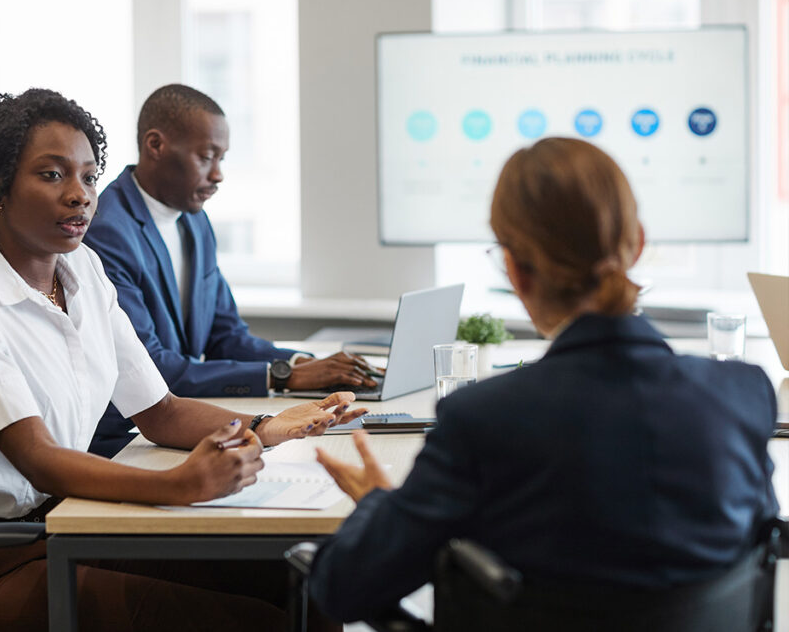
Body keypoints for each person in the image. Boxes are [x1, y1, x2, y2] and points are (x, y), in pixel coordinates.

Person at [0, 88, 359, 632]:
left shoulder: (84, 274)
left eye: (89, 177)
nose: (80, 196)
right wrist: (179, 486)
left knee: (304, 584)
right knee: (249, 621)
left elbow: (160, 411)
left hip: (73, 528)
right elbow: (37, 457)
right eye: (52, 175)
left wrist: (267, 427)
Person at [308, 137, 779, 622]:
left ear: (514, 269)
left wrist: (377, 510)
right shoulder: (742, 394)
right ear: (637, 243)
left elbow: (342, 589)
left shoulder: (484, 419)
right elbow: (760, 546)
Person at [83, 84, 382, 457]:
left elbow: (227, 336)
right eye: (207, 156)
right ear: (155, 145)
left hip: (181, 428)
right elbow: (155, 366)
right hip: (128, 440)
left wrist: (301, 364)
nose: (219, 174)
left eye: (222, 158)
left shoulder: (195, 222)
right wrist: (282, 377)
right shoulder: (106, 229)